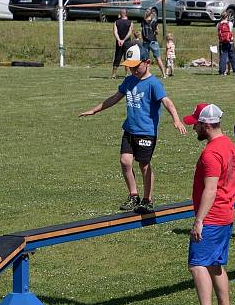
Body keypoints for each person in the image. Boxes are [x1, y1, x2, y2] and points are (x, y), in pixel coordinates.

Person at [79, 44, 186, 213]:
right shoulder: (129, 81)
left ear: (147, 62)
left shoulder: (153, 84)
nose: (133, 70)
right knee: (125, 161)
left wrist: (176, 120)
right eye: (130, 67)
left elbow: (167, 101)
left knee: (144, 165)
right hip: (130, 129)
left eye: (136, 67)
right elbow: (115, 98)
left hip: (146, 132)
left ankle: (147, 199)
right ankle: (133, 195)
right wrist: (94, 110)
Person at [180, 103, 235, 305]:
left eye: (196, 125)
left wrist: (199, 221)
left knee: (197, 263)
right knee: (215, 263)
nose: (194, 129)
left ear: (205, 125)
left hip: (213, 217)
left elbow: (210, 189)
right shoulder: (228, 144)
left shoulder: (211, 153)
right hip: (226, 214)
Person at [142, 8, 167, 78]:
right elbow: (157, 32)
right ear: (151, 14)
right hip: (153, 41)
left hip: (145, 42)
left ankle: (146, 74)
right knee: (158, 58)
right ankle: (164, 74)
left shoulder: (143, 21)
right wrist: (154, 32)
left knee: (146, 59)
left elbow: (142, 31)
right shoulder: (154, 22)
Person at [111, 8, 133, 79]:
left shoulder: (116, 22)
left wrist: (119, 40)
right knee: (127, 58)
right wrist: (123, 40)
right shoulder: (130, 22)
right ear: (126, 13)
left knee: (117, 57)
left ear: (120, 13)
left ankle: (114, 74)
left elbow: (115, 32)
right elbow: (130, 33)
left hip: (119, 42)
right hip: (127, 42)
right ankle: (127, 74)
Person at [217, 11, 235, 76]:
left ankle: (222, 71)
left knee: (223, 57)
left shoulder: (218, 24)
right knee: (232, 57)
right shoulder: (230, 23)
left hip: (222, 42)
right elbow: (231, 31)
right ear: (227, 16)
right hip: (230, 42)